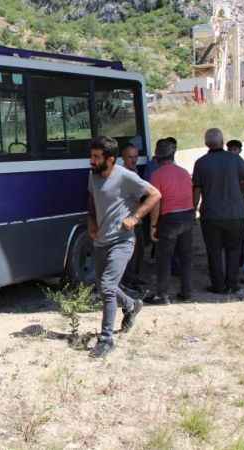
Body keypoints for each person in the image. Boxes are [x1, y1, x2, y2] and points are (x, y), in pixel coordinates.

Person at [87, 136, 162, 358]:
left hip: (122, 240)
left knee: (108, 287)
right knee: (103, 286)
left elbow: (155, 194)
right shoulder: (92, 176)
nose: (91, 161)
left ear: (110, 159)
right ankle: (131, 305)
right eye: (91, 156)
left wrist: (136, 217)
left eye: (96, 157)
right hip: (101, 240)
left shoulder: (126, 176)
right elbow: (91, 200)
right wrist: (91, 222)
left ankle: (106, 339)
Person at [192, 129, 244, 294]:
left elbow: (197, 190)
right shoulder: (235, 159)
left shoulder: (201, 163)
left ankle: (218, 285)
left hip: (211, 214)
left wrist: (193, 209)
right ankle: (232, 283)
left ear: (206, 143)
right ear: (223, 142)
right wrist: (243, 189)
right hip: (236, 213)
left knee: (213, 251)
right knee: (234, 250)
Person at [145, 139, 194, 304]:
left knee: (164, 258)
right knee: (185, 257)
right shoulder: (185, 172)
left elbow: (155, 202)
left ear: (158, 156)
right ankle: (187, 292)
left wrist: (153, 226)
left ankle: (162, 295)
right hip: (187, 216)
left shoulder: (157, 175)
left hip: (169, 219)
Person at [120, 144, 146, 290]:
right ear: (123, 157)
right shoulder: (123, 173)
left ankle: (135, 278)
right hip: (128, 218)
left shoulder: (134, 171)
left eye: (136, 157)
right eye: (131, 157)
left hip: (137, 218)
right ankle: (128, 281)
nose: (134, 160)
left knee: (139, 251)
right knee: (130, 252)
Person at [226, 139, 244, 273]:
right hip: (225, 202)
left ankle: (240, 263)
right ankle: (226, 264)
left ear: (240, 150)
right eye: (230, 149)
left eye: (235, 149)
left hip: (240, 201)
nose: (233, 152)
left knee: (240, 234)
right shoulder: (222, 164)